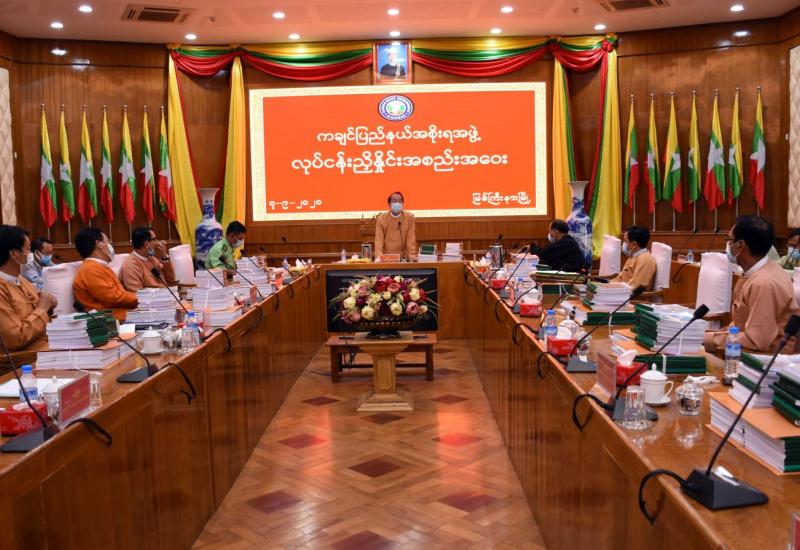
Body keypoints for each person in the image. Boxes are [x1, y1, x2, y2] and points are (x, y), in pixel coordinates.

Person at [704, 216, 800, 353]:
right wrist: (711, 335)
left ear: (740, 245)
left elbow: (756, 340)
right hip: (746, 350)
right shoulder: (759, 271)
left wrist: (711, 339)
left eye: (729, 240)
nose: (728, 246)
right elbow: (740, 326)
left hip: (765, 359)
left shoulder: (764, 284)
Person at [0, 225, 57, 352]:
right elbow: (16, 338)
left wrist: (49, 305)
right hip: (24, 357)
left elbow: (40, 308)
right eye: (29, 250)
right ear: (14, 254)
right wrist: (43, 309)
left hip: (45, 345)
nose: (31, 255)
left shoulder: (20, 279)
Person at [73, 227, 138, 321]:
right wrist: (141, 298)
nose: (110, 246)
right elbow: (112, 298)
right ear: (98, 244)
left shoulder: (98, 266)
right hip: (110, 320)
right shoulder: (90, 269)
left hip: (122, 315)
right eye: (108, 242)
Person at [120, 226, 177, 291]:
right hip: (155, 297)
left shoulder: (152, 259)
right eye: (155, 239)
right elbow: (137, 294)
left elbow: (172, 280)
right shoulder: (130, 265)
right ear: (146, 244)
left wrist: (164, 257)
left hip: (167, 294)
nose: (158, 243)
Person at [612, 225, 657, 291]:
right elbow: (619, 279)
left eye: (625, 241)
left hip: (628, 296)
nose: (623, 244)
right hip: (619, 292)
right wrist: (607, 285)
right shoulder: (633, 256)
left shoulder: (646, 259)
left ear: (634, 244)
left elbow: (635, 287)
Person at [375, 191, 417, 260]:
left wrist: (412, 255)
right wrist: (379, 257)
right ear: (389, 204)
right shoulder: (381, 219)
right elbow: (379, 241)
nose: (397, 203)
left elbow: (411, 239)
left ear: (402, 204)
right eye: (394, 201)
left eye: (400, 201)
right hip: (387, 258)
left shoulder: (409, 218)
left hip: (404, 259)